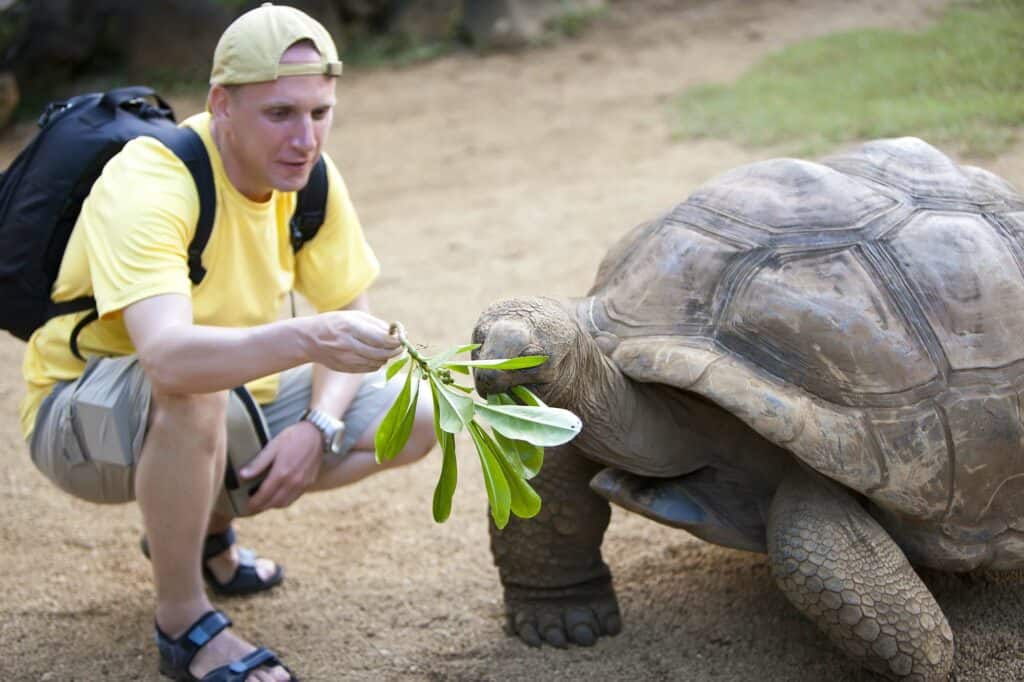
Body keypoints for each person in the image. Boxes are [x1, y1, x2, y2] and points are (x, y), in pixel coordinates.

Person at [19, 4, 436, 680]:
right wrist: (313, 335)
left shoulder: (313, 180)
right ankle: (183, 621)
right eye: (280, 114)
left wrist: (319, 427)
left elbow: (352, 318)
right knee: (193, 388)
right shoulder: (153, 179)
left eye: (320, 112)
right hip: (80, 418)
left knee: (414, 414)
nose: (305, 138)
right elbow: (168, 358)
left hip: (225, 405)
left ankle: (201, 529)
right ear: (223, 104)